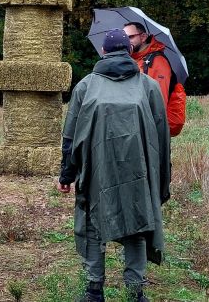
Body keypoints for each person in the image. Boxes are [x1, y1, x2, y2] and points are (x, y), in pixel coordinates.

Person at [58, 28, 170, 302]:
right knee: (137, 223)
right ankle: (136, 291)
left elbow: (71, 135)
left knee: (93, 223)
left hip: (97, 170)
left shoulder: (85, 86)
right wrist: (162, 178)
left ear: (104, 52)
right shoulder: (149, 86)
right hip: (139, 171)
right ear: (130, 52)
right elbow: (162, 136)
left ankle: (94, 290)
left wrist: (67, 174)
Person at [124, 21, 186, 137]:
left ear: (143, 37)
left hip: (152, 128)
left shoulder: (157, 62)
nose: (127, 41)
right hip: (138, 125)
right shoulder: (135, 60)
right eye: (125, 38)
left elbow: (159, 102)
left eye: (131, 37)